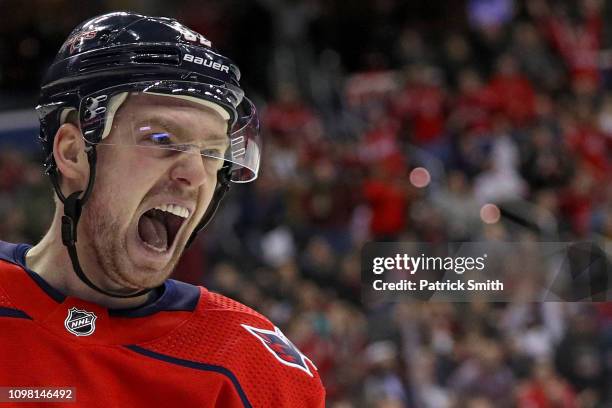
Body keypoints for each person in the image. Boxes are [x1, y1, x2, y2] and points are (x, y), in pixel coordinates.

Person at [0, 12, 325, 407]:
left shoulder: (249, 365)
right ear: (72, 152)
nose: (195, 174)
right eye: (161, 137)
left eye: (213, 152)